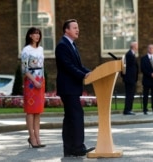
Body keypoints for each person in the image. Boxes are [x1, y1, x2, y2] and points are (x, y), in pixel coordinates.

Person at [55, 19, 95, 157]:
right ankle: (77, 147)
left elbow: (78, 65)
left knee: (71, 118)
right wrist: (84, 75)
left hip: (72, 88)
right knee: (76, 116)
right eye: (74, 28)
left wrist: (92, 73)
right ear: (66, 30)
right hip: (68, 88)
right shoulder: (62, 46)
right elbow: (68, 66)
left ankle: (70, 149)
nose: (77, 30)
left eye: (78, 27)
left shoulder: (72, 45)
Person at [21, 27, 46, 148]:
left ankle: (38, 137)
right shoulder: (26, 50)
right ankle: (32, 137)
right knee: (31, 110)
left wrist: (41, 81)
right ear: (30, 36)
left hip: (40, 82)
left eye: (38, 34)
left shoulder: (41, 49)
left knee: (38, 111)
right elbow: (24, 69)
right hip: (31, 82)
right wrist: (34, 81)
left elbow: (42, 66)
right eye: (35, 34)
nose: (37, 36)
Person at [121, 41, 139, 115]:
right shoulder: (129, 54)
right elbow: (128, 67)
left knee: (131, 94)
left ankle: (129, 109)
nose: (137, 46)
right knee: (129, 94)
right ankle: (127, 109)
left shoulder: (132, 54)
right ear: (134, 46)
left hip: (132, 79)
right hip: (129, 79)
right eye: (137, 45)